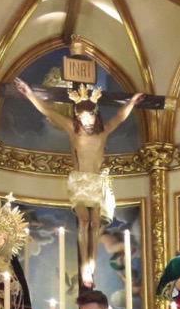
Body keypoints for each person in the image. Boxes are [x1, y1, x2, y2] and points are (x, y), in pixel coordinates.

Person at [14, 77, 142, 283]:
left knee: (96, 224)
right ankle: (84, 267)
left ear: (95, 115)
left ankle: (91, 265)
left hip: (97, 183)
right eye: (82, 117)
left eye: (89, 116)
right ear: (77, 117)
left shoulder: (103, 132)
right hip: (80, 183)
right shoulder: (72, 129)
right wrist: (29, 93)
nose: (86, 121)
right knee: (84, 221)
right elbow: (48, 111)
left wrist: (132, 102)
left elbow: (119, 117)